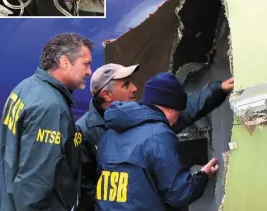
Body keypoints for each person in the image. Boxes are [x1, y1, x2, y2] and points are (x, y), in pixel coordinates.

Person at [76, 64, 234, 211]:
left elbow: (182, 110)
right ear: (106, 94)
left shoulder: (131, 121)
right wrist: (202, 176)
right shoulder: (86, 131)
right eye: (126, 85)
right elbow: (81, 186)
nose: (134, 89)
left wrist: (216, 90)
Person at [0, 33, 93, 211]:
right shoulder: (50, 107)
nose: (90, 71)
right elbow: (36, 183)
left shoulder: (26, 87)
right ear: (65, 62)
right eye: (86, 63)